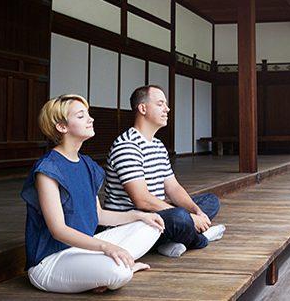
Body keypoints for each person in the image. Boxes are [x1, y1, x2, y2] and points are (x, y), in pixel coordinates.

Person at [22, 94, 165, 293]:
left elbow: (98, 215)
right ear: (62, 127)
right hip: (52, 261)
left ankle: (113, 266)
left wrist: (140, 215)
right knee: (120, 272)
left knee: (151, 225)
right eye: (81, 116)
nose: (91, 119)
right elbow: (58, 231)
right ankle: (121, 267)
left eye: (88, 114)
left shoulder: (87, 164)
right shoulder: (48, 169)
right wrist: (106, 247)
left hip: (83, 250)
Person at [105, 85, 225, 258]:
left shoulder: (158, 145)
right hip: (133, 223)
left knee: (210, 201)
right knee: (180, 217)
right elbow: (142, 201)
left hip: (156, 217)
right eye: (160, 104)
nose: (167, 109)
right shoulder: (127, 145)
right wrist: (190, 218)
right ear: (143, 108)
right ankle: (201, 238)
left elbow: (173, 188)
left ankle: (171, 242)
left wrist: (196, 212)